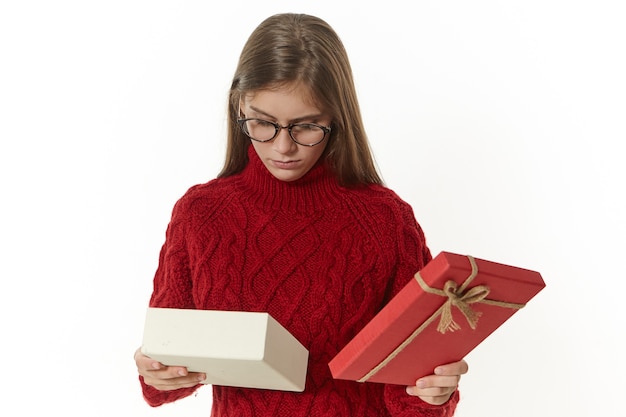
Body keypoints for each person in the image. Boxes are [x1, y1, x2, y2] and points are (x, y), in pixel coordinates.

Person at [134, 13, 468, 417]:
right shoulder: (200, 214)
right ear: (240, 106)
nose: (283, 147)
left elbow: (411, 397)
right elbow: (163, 374)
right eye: (262, 123)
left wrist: (434, 392)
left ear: (336, 117)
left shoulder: (385, 221)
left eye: (306, 126)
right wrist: (157, 372)